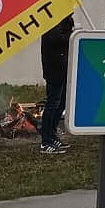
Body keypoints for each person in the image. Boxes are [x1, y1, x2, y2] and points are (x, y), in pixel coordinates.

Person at [39, 14, 74, 154]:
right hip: (54, 68)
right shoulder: (51, 19)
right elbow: (56, 39)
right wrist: (71, 34)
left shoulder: (64, 20)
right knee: (52, 103)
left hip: (63, 67)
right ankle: (45, 141)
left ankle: (52, 135)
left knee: (61, 103)